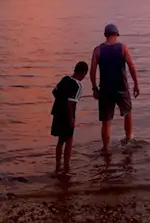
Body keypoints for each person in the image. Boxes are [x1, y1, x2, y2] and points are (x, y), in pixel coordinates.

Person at [90, 23, 140, 151]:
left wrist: (95, 88)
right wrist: (136, 84)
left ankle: (105, 148)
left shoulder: (97, 50)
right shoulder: (123, 48)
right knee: (128, 113)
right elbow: (132, 66)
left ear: (105, 35)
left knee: (106, 121)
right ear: (116, 34)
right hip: (121, 87)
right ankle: (128, 139)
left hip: (105, 90)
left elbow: (92, 71)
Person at [51, 61, 88, 173]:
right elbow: (70, 104)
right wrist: (71, 118)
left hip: (57, 112)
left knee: (60, 141)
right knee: (69, 140)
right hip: (67, 114)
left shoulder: (65, 79)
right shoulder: (78, 85)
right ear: (84, 73)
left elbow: (54, 91)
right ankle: (66, 166)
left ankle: (58, 165)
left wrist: (60, 101)